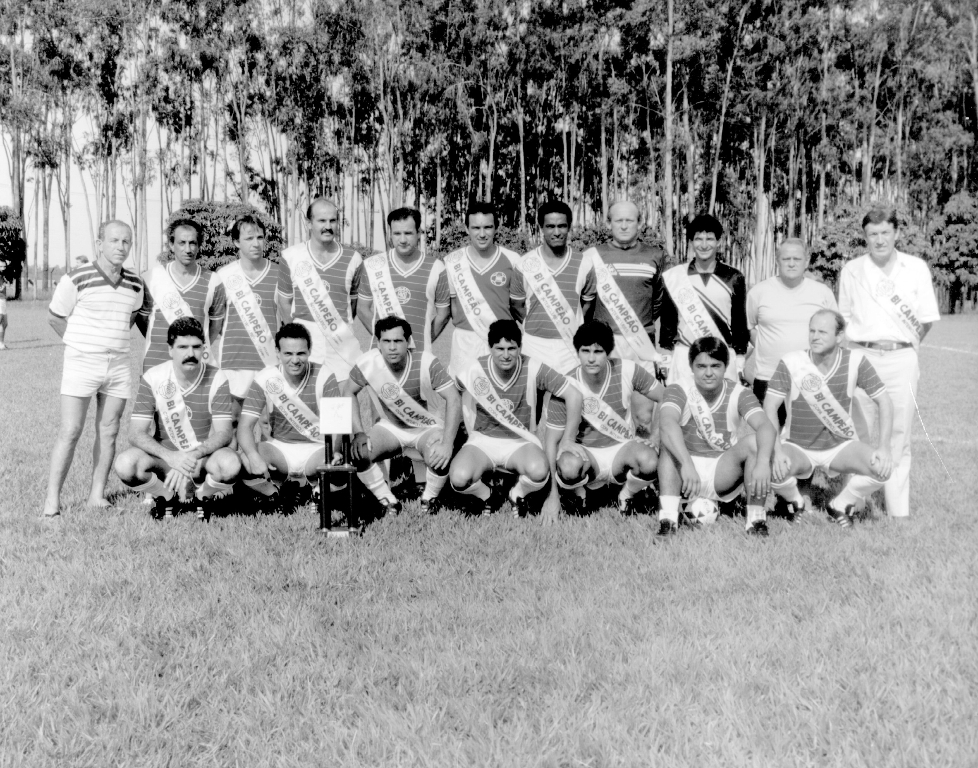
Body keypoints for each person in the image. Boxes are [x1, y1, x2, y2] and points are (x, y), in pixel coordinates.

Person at [838, 207, 941, 518]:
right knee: (859, 432)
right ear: (865, 237)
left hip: (901, 358)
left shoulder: (916, 267)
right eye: (873, 234)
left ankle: (897, 511)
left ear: (897, 233)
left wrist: (903, 348)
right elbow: (842, 319)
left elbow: (925, 319)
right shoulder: (852, 270)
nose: (879, 239)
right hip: (862, 356)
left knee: (899, 434)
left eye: (885, 232)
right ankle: (851, 505)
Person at [42, 221, 145, 517]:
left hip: (119, 365)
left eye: (126, 241)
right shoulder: (77, 277)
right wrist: (82, 346)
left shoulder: (135, 283)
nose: (120, 247)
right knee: (71, 430)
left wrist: (108, 343)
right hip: (82, 363)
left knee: (109, 430)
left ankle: (96, 495)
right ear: (99, 243)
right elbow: (55, 317)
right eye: (114, 240)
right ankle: (52, 501)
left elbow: (129, 318)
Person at [764, 310, 894, 527]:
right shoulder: (792, 361)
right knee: (766, 468)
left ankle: (840, 505)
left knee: (882, 468)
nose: (815, 336)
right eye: (812, 331)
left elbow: (885, 401)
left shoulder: (856, 361)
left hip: (840, 447)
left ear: (839, 336)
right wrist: (776, 450)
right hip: (798, 446)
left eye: (823, 332)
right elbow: (769, 406)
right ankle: (797, 503)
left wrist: (884, 448)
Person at [449, 319, 585, 522]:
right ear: (490, 348)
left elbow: (574, 395)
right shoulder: (474, 369)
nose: (506, 355)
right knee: (459, 478)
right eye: (499, 348)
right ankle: (489, 496)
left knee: (540, 472)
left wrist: (568, 439)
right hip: (482, 441)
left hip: (520, 442)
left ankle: (517, 493)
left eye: (511, 348)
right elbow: (451, 395)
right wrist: (446, 437)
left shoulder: (534, 367)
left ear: (520, 347)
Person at [114, 317, 240, 518]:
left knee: (231, 464)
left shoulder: (217, 377)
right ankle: (165, 496)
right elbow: (135, 433)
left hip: (199, 461)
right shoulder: (153, 377)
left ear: (203, 348)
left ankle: (203, 496)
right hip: (165, 460)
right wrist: (171, 457)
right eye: (182, 347)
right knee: (125, 464)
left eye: (196, 347)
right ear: (170, 349)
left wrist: (192, 456)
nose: (190, 354)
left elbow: (224, 433)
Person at [656, 336, 775, 536]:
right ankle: (668, 520)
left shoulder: (739, 393)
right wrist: (686, 463)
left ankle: (756, 520)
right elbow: (667, 423)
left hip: (721, 472)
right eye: (701, 366)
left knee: (756, 443)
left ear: (725, 366)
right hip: (683, 472)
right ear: (691, 366)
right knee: (668, 441)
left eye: (715, 366)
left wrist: (763, 462)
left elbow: (765, 426)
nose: (709, 373)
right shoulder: (678, 389)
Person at [345, 316, 463, 515]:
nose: (392, 347)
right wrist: (358, 432)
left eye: (398, 341)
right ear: (378, 343)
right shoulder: (368, 363)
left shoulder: (426, 362)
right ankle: (387, 499)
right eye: (386, 341)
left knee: (440, 456)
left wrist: (447, 443)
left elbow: (453, 399)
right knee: (359, 453)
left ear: (408, 342)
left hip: (424, 427)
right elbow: (348, 392)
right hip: (391, 427)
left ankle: (430, 498)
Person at [547, 321, 663, 515]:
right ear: (578, 352)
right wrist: (552, 495)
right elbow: (551, 442)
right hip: (587, 456)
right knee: (568, 467)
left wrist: (655, 438)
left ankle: (627, 495)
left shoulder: (628, 369)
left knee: (649, 460)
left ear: (608, 352)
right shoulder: (566, 385)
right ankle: (580, 494)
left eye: (598, 351)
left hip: (621, 451)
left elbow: (667, 398)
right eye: (585, 351)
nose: (591, 359)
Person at [237, 322, 342, 507]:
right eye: (288, 353)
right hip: (281, 451)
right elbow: (245, 426)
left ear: (309, 351)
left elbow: (337, 428)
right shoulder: (265, 378)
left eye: (300, 353)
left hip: (317, 450)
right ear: (277, 352)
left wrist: (332, 455)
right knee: (243, 459)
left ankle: (314, 491)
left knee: (340, 466)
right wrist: (254, 457)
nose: (295, 360)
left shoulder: (325, 376)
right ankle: (273, 493)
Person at [583, 200, 665, 434]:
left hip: (642, 345)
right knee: (604, 411)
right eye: (618, 220)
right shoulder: (593, 255)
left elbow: (657, 301)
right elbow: (585, 300)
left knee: (643, 416)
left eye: (630, 220)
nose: (624, 226)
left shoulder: (655, 255)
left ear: (639, 224)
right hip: (605, 345)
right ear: (608, 224)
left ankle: (640, 466)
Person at [746, 238, 837, 425]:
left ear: (807, 261)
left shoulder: (822, 293)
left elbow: (835, 333)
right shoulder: (759, 292)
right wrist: (769, 345)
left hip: (812, 377)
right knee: (769, 438)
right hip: (768, 377)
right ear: (777, 261)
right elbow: (748, 327)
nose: (792, 263)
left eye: (797, 258)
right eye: (786, 259)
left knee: (808, 436)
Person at [276, 198, 363, 384]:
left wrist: (336, 325)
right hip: (305, 337)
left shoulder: (353, 258)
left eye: (332, 220)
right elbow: (284, 303)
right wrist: (297, 335)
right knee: (307, 400)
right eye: (321, 221)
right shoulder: (291, 257)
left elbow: (353, 303)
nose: (328, 226)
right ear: (309, 223)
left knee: (341, 403)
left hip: (340, 338)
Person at [430, 201, 522, 376]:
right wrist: (424, 342)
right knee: (465, 398)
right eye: (475, 228)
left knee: (503, 400)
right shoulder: (452, 262)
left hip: (503, 343)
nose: (482, 234)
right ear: (467, 228)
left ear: (496, 227)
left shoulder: (513, 259)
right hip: (465, 343)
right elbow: (450, 309)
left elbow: (519, 307)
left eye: (487, 227)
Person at [658, 214, 749, 389]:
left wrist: (740, 358)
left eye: (710, 239)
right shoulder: (676, 276)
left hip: (721, 356)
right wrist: (666, 358)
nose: (704, 244)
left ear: (719, 241)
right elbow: (668, 322)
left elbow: (739, 322)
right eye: (698, 239)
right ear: (691, 242)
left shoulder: (733, 277)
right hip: (685, 355)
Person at [511, 201, 597, 374]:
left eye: (562, 226)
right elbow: (517, 306)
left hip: (571, 347)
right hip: (534, 346)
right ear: (541, 227)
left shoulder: (585, 264)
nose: (556, 232)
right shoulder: (524, 264)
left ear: (569, 227)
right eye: (550, 226)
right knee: (532, 400)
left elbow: (587, 305)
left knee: (572, 400)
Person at [214, 214, 282, 419]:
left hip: (269, 362)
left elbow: (287, 318)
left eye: (260, 238)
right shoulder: (224, 275)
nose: (256, 243)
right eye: (249, 238)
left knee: (268, 425)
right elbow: (216, 322)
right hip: (234, 362)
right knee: (232, 423)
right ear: (236, 242)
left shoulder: (280, 274)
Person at [137, 218, 226, 371]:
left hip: (195, 365)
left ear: (199, 245)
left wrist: (197, 347)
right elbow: (142, 318)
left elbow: (216, 323)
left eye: (192, 243)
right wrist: (161, 341)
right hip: (156, 364)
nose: (188, 249)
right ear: (171, 245)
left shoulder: (213, 280)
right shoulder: (151, 277)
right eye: (181, 243)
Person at [357, 207, 439, 353]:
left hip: (420, 356)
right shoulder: (372, 265)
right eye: (397, 233)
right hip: (380, 357)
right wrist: (385, 339)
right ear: (390, 234)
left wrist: (420, 340)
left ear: (418, 233)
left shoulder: (436, 267)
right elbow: (362, 309)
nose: (402, 240)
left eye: (408, 233)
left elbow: (444, 314)